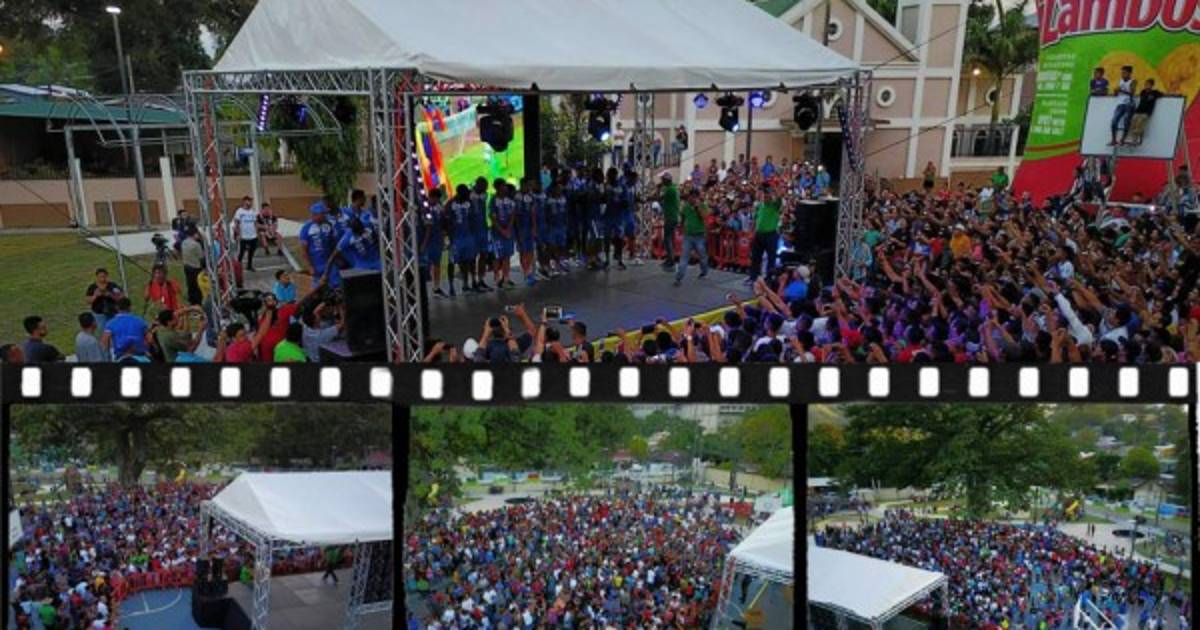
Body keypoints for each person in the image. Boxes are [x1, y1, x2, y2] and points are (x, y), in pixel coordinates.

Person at [299, 200, 341, 288]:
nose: (325, 215)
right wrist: (310, 267)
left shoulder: (329, 225)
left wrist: (336, 259)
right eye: (323, 214)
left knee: (337, 286)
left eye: (325, 213)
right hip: (316, 265)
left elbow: (335, 244)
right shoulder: (306, 228)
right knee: (318, 289)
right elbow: (303, 250)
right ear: (315, 214)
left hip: (330, 263)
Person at [674, 188, 710, 286]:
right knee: (684, 256)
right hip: (688, 236)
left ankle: (704, 272)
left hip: (699, 235)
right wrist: (681, 227)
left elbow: (704, 217)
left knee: (702, 255)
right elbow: (682, 217)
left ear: (698, 197)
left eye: (695, 197)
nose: (693, 199)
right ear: (689, 197)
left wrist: (697, 208)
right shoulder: (685, 206)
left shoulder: (702, 205)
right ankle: (679, 277)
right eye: (691, 197)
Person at [749, 181, 782, 284]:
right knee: (755, 257)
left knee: (771, 258)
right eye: (764, 195)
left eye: (767, 195)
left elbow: (779, 196)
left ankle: (769, 279)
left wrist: (773, 188)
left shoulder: (775, 205)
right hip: (759, 234)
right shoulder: (759, 205)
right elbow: (755, 219)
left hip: (771, 235)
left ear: (770, 196)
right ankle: (753, 277)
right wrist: (752, 232)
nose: (765, 196)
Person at [447, 183, 476, 296]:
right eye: (466, 194)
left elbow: (472, 218)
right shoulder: (450, 204)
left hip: (467, 237)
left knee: (467, 260)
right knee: (452, 262)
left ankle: (466, 284)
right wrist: (449, 235)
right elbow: (446, 220)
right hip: (455, 238)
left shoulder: (469, 203)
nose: (468, 196)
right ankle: (451, 286)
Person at [422, 187, 449, 297]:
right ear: (431, 197)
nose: (437, 201)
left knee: (437, 263)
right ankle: (423, 288)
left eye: (438, 199)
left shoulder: (440, 208)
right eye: (436, 199)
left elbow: (443, 223)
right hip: (427, 240)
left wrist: (443, 235)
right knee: (425, 265)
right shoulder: (424, 208)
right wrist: (424, 243)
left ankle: (436, 287)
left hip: (437, 239)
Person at [469, 177, 494, 293]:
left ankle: (481, 280)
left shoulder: (485, 195)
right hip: (473, 231)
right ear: (478, 185)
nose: (485, 188)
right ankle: (473, 280)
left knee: (484, 254)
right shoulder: (470, 195)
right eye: (484, 186)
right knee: (473, 257)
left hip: (483, 229)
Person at [490, 179, 517, 288]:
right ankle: (497, 278)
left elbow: (512, 215)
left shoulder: (509, 200)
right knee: (497, 256)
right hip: (497, 233)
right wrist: (502, 230)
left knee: (507, 255)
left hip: (508, 232)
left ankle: (506, 278)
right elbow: (493, 218)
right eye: (503, 186)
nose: (505, 187)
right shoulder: (493, 200)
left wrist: (508, 229)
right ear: (498, 187)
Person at [85, 268, 123, 333]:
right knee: (102, 332)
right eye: (100, 277)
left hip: (113, 313)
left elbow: (120, 298)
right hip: (99, 315)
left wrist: (110, 295)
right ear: (97, 277)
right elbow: (88, 300)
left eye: (104, 277)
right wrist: (95, 296)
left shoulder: (112, 285)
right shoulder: (92, 287)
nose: (102, 279)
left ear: (107, 276)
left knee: (115, 331)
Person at [1128, 78, 1163, 147]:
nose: (1146, 86)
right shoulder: (1143, 92)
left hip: (1146, 112)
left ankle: (1135, 140)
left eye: (1148, 84)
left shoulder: (1155, 92)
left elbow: (1162, 94)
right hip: (1139, 110)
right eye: (1146, 84)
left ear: (1152, 85)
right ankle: (1132, 140)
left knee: (1139, 123)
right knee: (1133, 121)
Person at [1110, 65, 1137, 146]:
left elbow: (1132, 93)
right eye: (1122, 73)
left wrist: (1121, 90)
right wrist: (1115, 92)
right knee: (1114, 121)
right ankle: (1113, 140)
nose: (1122, 74)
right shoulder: (1121, 81)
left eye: (1124, 73)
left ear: (1129, 73)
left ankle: (1122, 140)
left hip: (1129, 104)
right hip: (1120, 104)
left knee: (1126, 121)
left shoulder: (1133, 81)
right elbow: (1116, 94)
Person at [231, 196, 260, 271]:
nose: (250, 203)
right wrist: (238, 234)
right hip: (243, 236)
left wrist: (257, 233)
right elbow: (236, 223)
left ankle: (249, 266)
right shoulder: (239, 211)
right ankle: (238, 267)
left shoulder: (253, 211)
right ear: (244, 202)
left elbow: (255, 223)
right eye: (248, 201)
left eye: (250, 201)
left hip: (253, 235)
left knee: (251, 252)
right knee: (241, 252)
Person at [659, 172, 680, 271]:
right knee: (669, 239)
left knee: (667, 239)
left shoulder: (670, 189)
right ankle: (669, 259)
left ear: (666, 180)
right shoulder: (673, 188)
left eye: (663, 179)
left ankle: (671, 261)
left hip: (670, 217)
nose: (661, 181)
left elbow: (660, 198)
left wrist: (658, 189)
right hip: (672, 216)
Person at [180, 226, 205, 306]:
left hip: (187, 267)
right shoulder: (196, 245)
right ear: (195, 234)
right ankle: (198, 303)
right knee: (197, 287)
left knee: (190, 285)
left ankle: (192, 302)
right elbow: (201, 258)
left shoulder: (184, 242)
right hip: (196, 268)